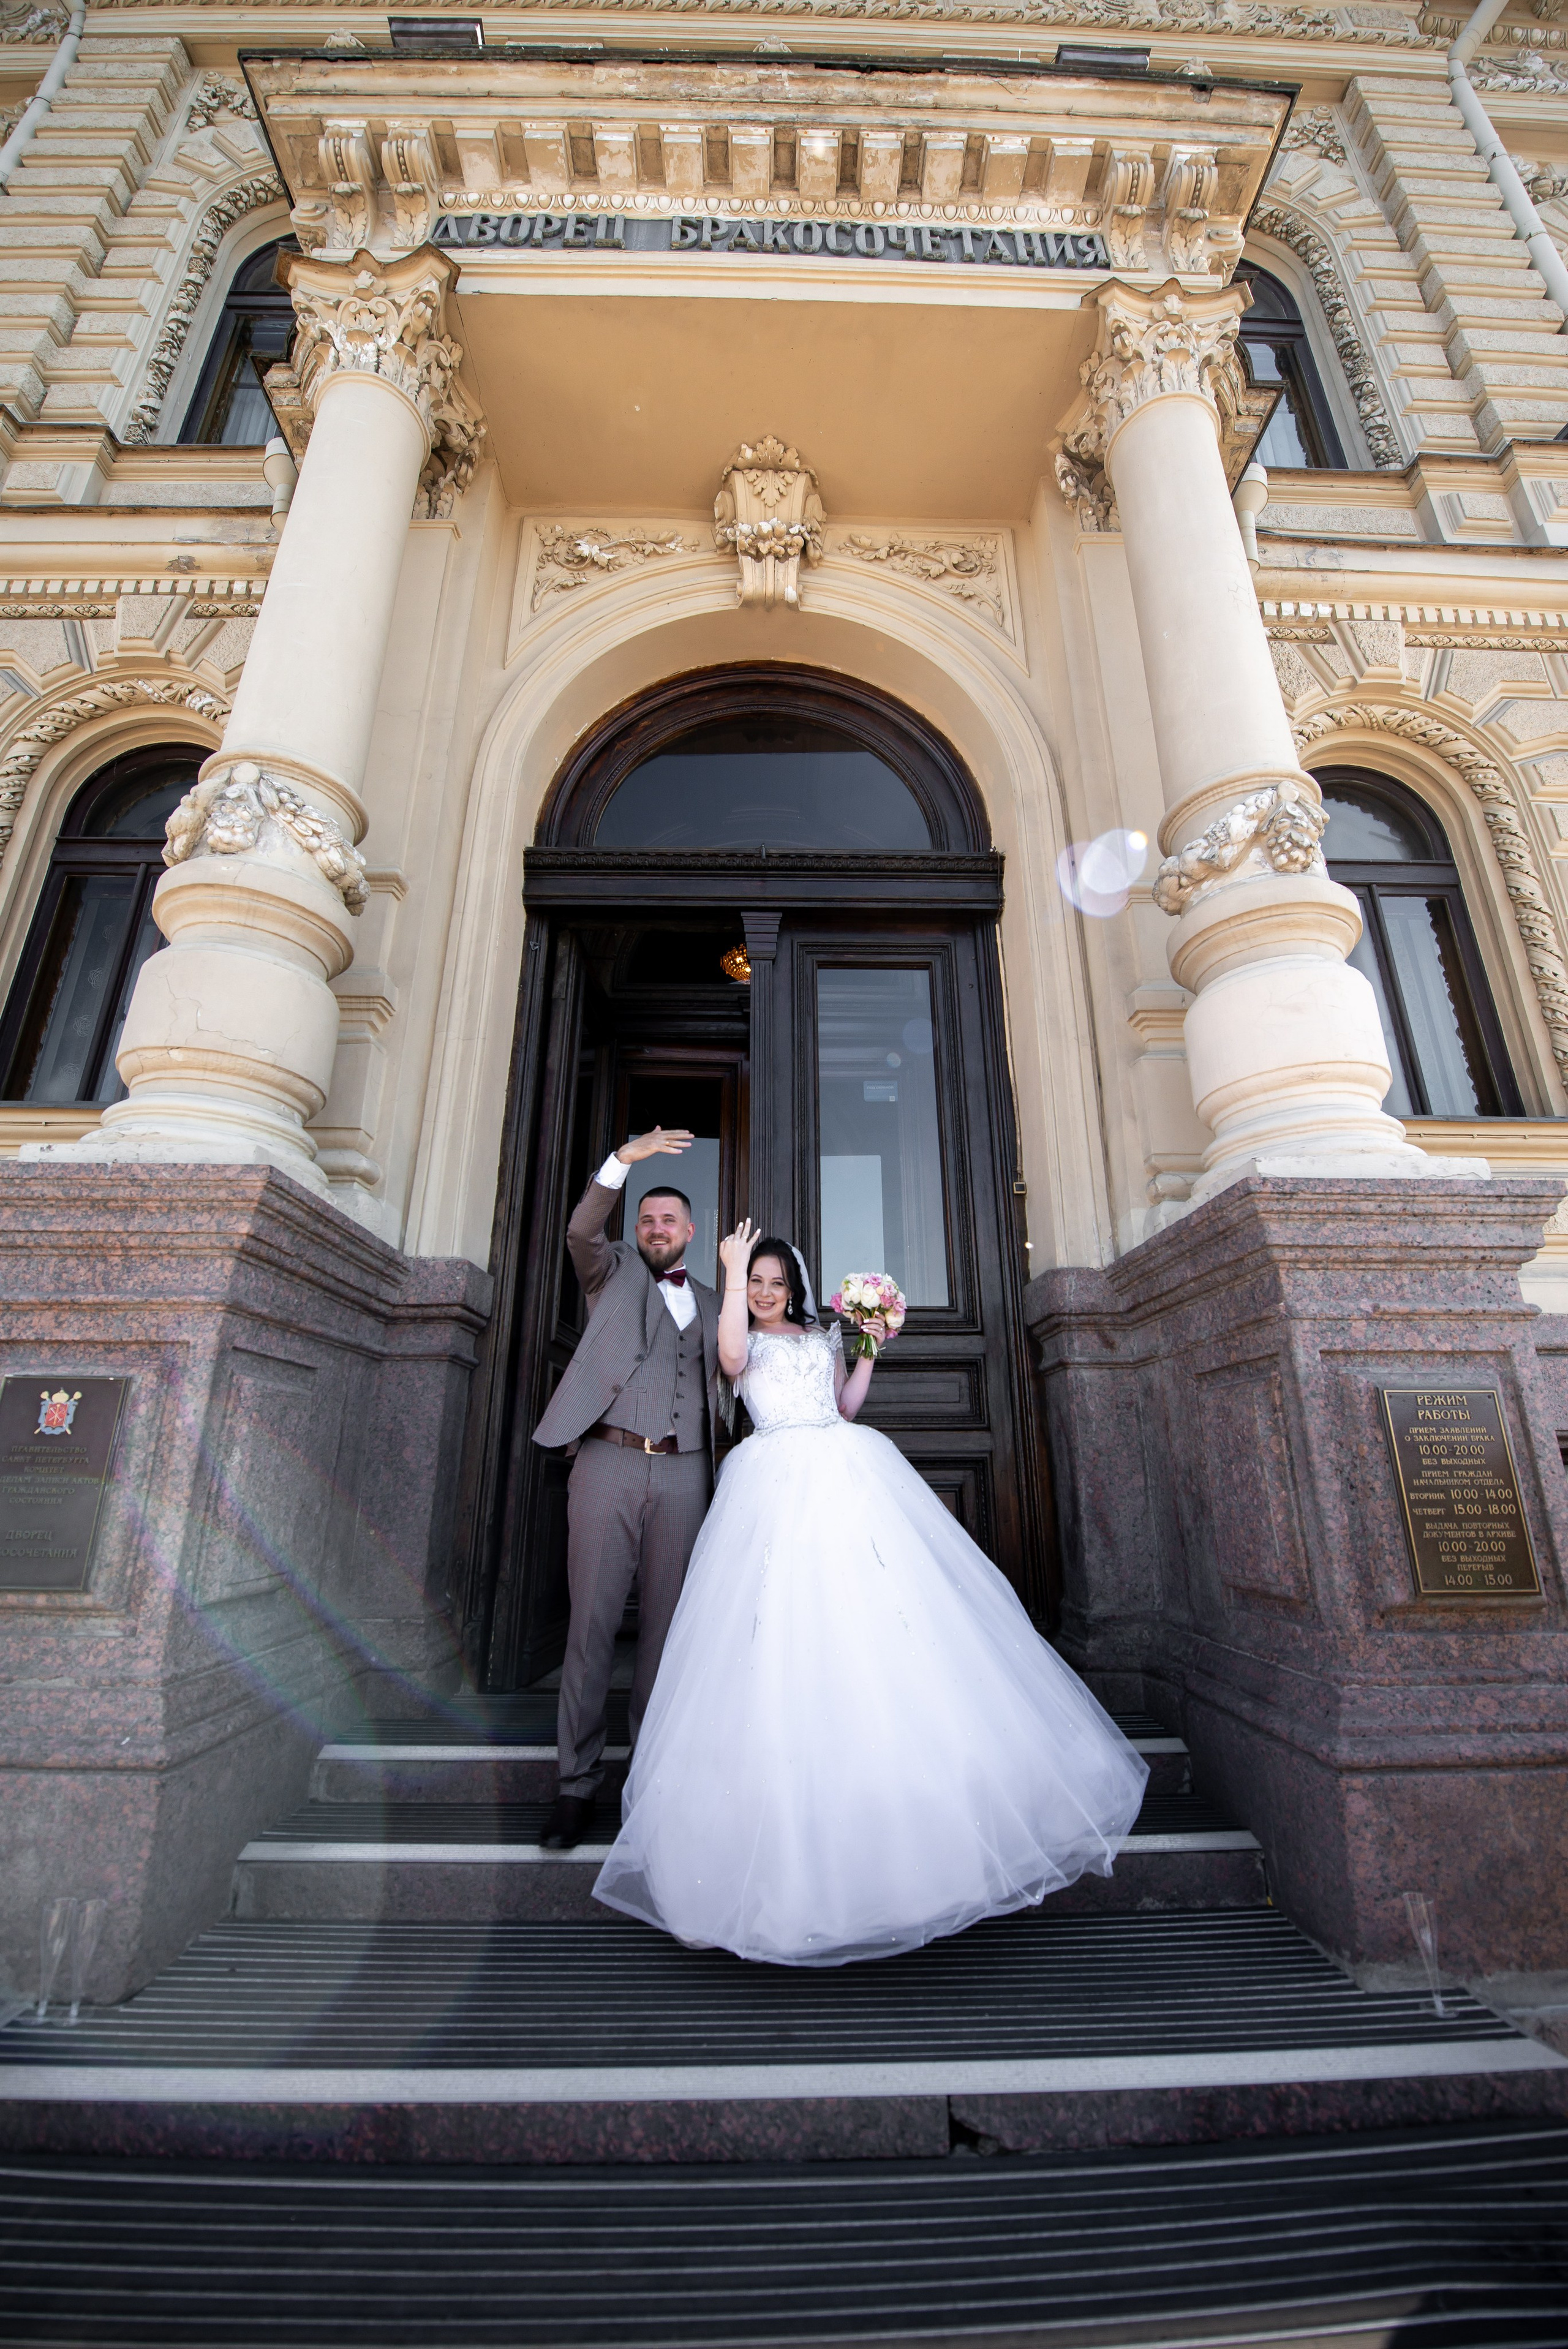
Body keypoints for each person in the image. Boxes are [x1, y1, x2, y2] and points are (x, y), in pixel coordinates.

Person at [594, 1223, 1150, 1965]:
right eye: (754, 1282)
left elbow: (845, 1407)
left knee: (882, 1626)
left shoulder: (818, 1339)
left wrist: (866, 1348)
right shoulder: (741, 1337)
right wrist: (728, 1273)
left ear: (792, 1286)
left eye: (773, 1282)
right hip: (774, 1484)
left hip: (844, 1466)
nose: (764, 1293)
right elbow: (729, 1358)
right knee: (783, 1634)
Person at [531, 1126, 719, 1851]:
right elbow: (582, 1227)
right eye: (646, 1219)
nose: (656, 1228)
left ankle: (649, 1782)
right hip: (607, 1464)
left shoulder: (712, 1296)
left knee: (667, 1639)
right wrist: (621, 1162)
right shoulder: (610, 1272)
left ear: (690, 1231)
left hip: (686, 1473)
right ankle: (575, 1787)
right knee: (591, 1629)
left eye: (668, 1219)